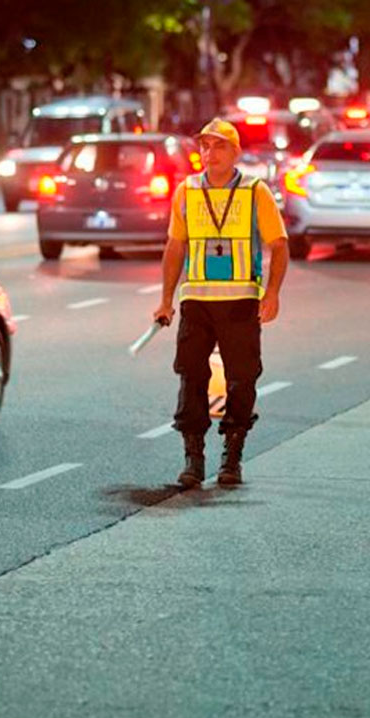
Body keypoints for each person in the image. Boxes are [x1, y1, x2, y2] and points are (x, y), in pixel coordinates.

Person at [153, 117, 289, 488]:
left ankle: (232, 455)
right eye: (204, 146)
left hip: (240, 301)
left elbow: (279, 245)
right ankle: (193, 459)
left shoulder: (254, 191)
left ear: (236, 152)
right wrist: (166, 299)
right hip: (197, 299)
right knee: (191, 376)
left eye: (219, 146)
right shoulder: (186, 191)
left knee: (241, 380)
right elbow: (175, 245)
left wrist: (272, 291)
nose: (209, 153)